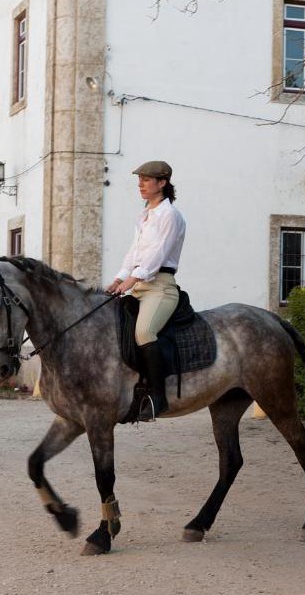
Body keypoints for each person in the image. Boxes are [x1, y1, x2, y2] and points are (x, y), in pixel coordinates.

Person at [105, 160, 186, 421]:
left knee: (144, 331)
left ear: (162, 183)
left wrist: (131, 280)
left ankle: (158, 397)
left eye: (146, 179)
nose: (140, 184)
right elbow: (134, 253)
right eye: (139, 179)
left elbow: (157, 254)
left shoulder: (170, 215)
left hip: (159, 287)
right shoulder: (145, 215)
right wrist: (118, 279)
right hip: (139, 285)